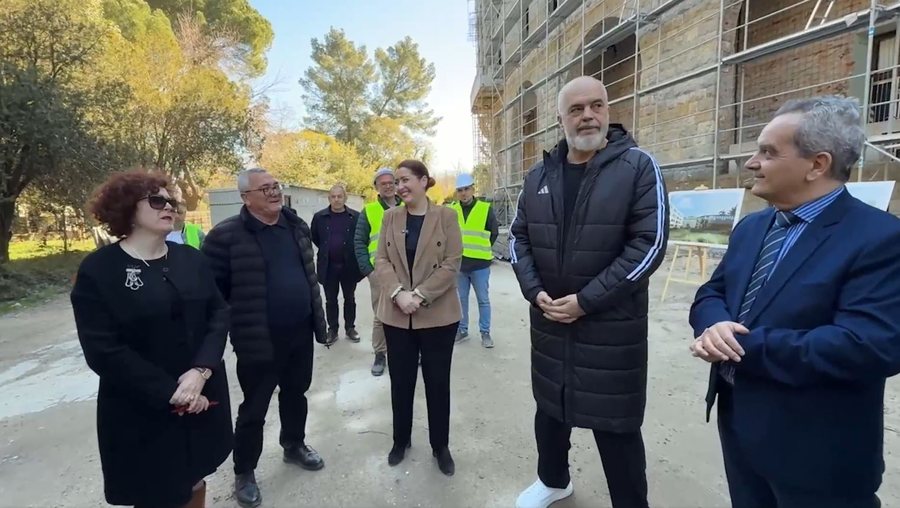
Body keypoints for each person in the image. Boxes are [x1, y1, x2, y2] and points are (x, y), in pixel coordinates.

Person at [688, 96, 900, 508]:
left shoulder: (879, 238)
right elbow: (712, 293)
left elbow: (869, 345)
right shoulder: (751, 228)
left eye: (768, 152)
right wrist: (712, 326)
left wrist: (742, 346)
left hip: (818, 452)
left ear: (817, 165)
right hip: (741, 427)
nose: (752, 163)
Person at [509, 75, 668, 508]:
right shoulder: (539, 174)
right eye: (576, 109)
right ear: (560, 118)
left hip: (610, 328)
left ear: (609, 110)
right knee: (550, 411)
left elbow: (648, 245)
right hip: (549, 322)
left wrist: (586, 301)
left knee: (615, 427)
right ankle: (553, 481)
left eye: (596, 105)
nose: (588, 116)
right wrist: (533, 290)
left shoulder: (637, 166)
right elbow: (517, 237)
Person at [71, 170, 232, 508]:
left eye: (172, 201)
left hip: (202, 393)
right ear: (128, 207)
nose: (169, 207)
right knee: (157, 487)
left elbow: (218, 315)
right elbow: (103, 349)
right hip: (142, 406)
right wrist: (174, 393)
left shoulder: (192, 259)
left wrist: (200, 371)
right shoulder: (100, 270)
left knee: (195, 475)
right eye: (157, 200)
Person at [201, 167, 333, 508]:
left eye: (276, 186)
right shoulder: (225, 236)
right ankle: (244, 470)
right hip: (258, 338)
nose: (274, 192)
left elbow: (308, 275)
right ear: (246, 197)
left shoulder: (295, 225)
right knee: (254, 408)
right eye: (265, 189)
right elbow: (211, 297)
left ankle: (293, 445)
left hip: (300, 332)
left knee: (296, 393)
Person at [374, 159, 462, 476]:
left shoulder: (446, 217)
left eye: (406, 180)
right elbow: (381, 259)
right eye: (396, 181)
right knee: (401, 381)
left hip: (438, 316)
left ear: (425, 181)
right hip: (397, 317)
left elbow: (453, 263)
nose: (400, 187)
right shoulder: (389, 217)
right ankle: (401, 441)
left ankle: (441, 446)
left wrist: (420, 295)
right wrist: (398, 293)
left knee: (438, 383)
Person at [354, 167, 403, 376]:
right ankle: (380, 354)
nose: (388, 185)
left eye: (391, 181)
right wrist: (368, 271)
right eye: (383, 183)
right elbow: (359, 242)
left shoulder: (408, 205)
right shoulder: (370, 211)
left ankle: (403, 353)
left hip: (406, 271)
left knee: (408, 313)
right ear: (376, 187)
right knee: (381, 315)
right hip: (380, 273)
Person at [449, 173, 499, 347]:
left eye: (466, 189)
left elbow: (494, 233)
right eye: (460, 190)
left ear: (473, 189)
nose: (464, 193)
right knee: (461, 299)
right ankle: (462, 330)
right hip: (460, 265)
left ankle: (485, 333)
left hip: (480, 264)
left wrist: (483, 248)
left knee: (483, 300)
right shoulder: (452, 210)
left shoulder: (485, 209)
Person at [311, 184, 364, 343]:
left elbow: (361, 238)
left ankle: (350, 328)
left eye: (339, 196)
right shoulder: (319, 217)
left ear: (345, 198)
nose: (336, 199)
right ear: (329, 198)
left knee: (350, 298)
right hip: (329, 267)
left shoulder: (355, 217)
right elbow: (316, 238)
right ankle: (332, 330)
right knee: (330, 300)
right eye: (333, 196)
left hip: (349, 266)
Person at [165, 184, 206, 249]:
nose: (177, 216)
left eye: (180, 212)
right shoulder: (158, 232)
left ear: (185, 213)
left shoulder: (196, 232)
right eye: (173, 211)